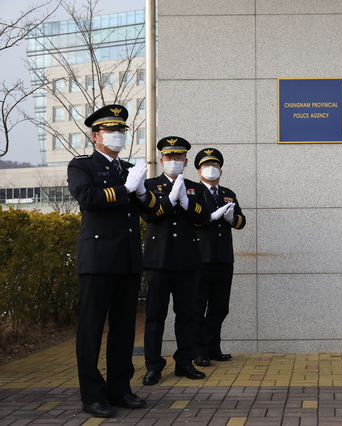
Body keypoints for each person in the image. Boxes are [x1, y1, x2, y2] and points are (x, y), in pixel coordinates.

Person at [67, 104, 157, 417]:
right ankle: (92, 395)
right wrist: (125, 189)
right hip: (97, 260)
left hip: (128, 259)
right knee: (91, 329)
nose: (118, 135)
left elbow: (150, 211)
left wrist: (143, 194)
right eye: (111, 130)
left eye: (122, 130)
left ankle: (120, 389)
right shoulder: (82, 166)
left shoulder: (128, 168)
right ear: (96, 136)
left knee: (123, 329)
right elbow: (88, 198)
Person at [141, 137, 209, 386]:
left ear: (186, 161)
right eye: (169, 157)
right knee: (155, 316)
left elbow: (204, 219)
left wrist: (186, 202)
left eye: (178, 157)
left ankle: (184, 362)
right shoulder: (150, 185)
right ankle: (153, 366)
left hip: (188, 261)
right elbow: (148, 214)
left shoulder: (196, 187)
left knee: (187, 315)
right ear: (161, 160)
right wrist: (169, 202)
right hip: (158, 261)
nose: (173, 161)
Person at [192, 148, 246, 366]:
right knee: (198, 308)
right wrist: (209, 217)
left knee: (220, 306)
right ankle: (199, 350)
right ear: (198, 171)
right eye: (206, 166)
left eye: (215, 166)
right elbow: (190, 218)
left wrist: (232, 219)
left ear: (221, 171)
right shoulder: (192, 192)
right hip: (199, 259)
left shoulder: (228, 193)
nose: (211, 169)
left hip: (224, 259)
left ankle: (214, 347)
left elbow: (242, 222)